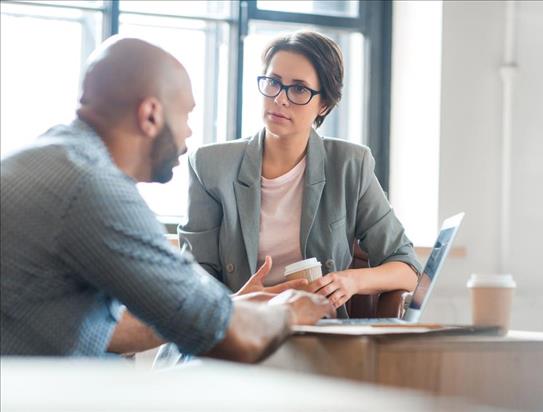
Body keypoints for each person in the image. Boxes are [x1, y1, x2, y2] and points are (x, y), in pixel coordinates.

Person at [0, 36, 332, 360]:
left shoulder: (49, 157)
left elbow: (112, 328)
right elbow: (230, 339)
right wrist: (290, 311)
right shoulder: (95, 190)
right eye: (185, 116)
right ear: (150, 115)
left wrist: (230, 306)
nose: (188, 134)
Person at [180, 31, 423, 317]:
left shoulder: (350, 165)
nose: (280, 99)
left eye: (298, 89)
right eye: (273, 82)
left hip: (318, 333)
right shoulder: (211, 165)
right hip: (236, 328)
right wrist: (239, 303)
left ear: (324, 104)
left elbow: (408, 268)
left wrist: (352, 280)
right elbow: (193, 277)